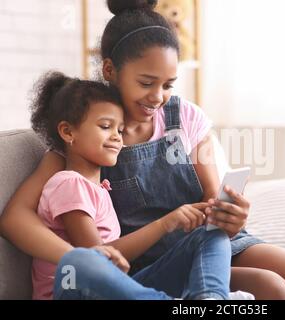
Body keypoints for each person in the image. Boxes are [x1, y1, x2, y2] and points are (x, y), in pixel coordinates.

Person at [0, 0, 285, 299]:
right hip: (148, 260)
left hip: (205, 244)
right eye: (146, 83)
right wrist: (88, 259)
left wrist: (231, 216)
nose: (158, 96)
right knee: (271, 287)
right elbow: (15, 219)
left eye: (168, 84)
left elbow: (213, 204)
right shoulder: (86, 137)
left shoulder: (184, 118)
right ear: (110, 70)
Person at [28, 71, 238, 300]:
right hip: (74, 291)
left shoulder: (102, 188)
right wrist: (165, 223)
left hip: (115, 290)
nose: (118, 137)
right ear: (68, 132)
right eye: (106, 126)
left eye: (120, 130)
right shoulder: (69, 184)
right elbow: (99, 257)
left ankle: (211, 299)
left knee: (209, 235)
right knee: (79, 259)